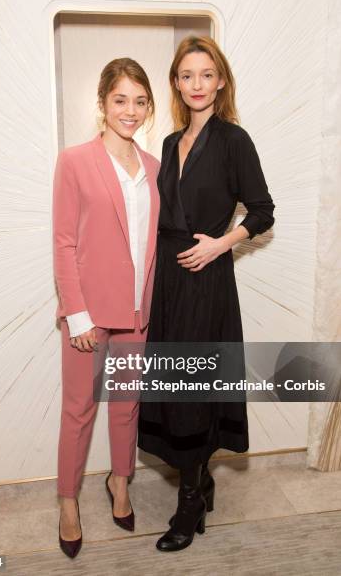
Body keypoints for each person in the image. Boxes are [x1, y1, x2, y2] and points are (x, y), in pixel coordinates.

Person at [138, 35, 275, 552]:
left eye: (205, 74)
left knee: (193, 392)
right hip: (170, 285)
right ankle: (202, 480)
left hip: (207, 280)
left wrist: (221, 244)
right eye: (186, 75)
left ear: (220, 80)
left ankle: (190, 503)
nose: (196, 84)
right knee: (175, 389)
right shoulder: (170, 144)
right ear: (176, 83)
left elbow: (262, 211)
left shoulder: (234, 140)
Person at [52, 58, 160, 559]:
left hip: (138, 312)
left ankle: (121, 483)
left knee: (126, 408)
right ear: (102, 104)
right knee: (78, 411)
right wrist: (76, 314)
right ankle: (68, 502)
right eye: (121, 100)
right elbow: (64, 243)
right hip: (89, 318)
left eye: (140, 101)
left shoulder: (156, 170)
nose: (130, 111)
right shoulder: (75, 161)